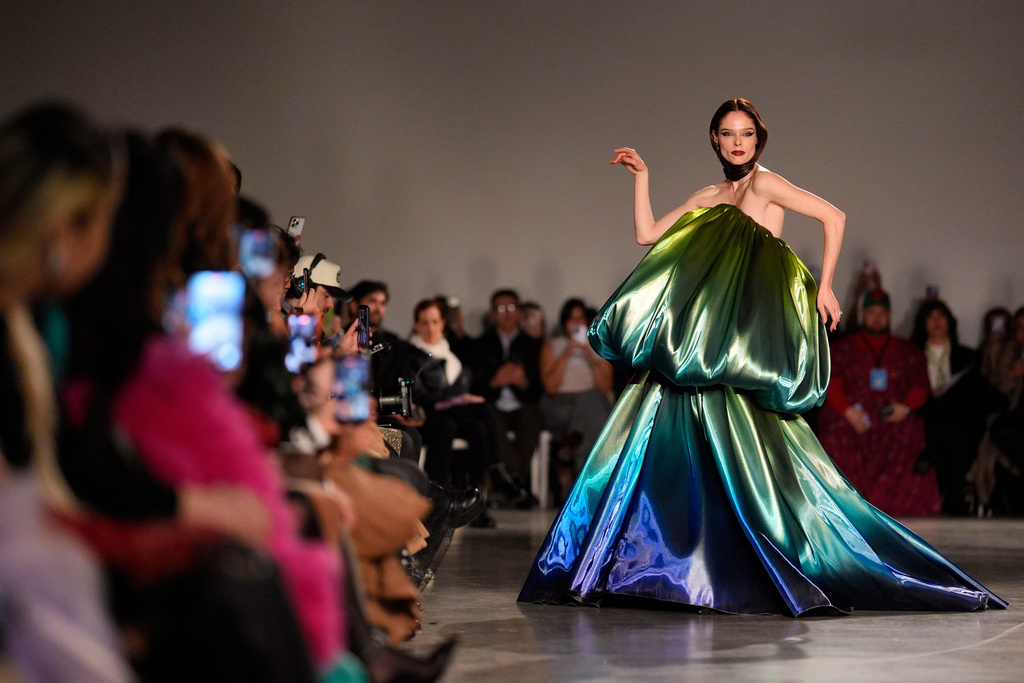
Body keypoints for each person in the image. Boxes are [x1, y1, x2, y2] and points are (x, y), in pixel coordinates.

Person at [519, 98, 1004, 614]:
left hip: (745, 339)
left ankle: (756, 559)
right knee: (669, 434)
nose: (737, 142)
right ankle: (674, 567)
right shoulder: (709, 195)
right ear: (714, 139)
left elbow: (833, 216)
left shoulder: (766, 184)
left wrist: (825, 286)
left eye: (746, 133)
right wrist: (643, 177)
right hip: (706, 337)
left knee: (750, 448)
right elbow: (648, 235)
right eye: (728, 133)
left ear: (758, 139)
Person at [816, 288, 941, 516]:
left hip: (893, 417)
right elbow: (831, 384)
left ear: (890, 314)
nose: (876, 318)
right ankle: (845, 502)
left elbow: (920, 387)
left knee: (910, 433)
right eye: (871, 312)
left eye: (882, 313)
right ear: (863, 314)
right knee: (835, 432)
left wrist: (905, 408)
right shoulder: (843, 349)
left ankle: (896, 505)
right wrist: (849, 412)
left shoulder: (907, 351)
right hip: (854, 416)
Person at [471, 289, 542, 508]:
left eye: (511, 307)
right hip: (493, 404)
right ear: (493, 314)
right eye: (501, 308)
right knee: (492, 419)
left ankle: (514, 485)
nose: (507, 313)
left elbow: (541, 388)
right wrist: (494, 382)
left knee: (531, 417)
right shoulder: (480, 345)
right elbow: (472, 386)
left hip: (522, 404)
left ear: (520, 312)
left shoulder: (534, 345)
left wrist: (524, 382)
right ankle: (521, 483)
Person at [539, 298, 613, 500]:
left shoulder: (599, 348)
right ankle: (586, 486)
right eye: (572, 319)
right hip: (560, 406)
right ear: (564, 322)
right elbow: (551, 388)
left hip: (591, 406)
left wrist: (590, 357)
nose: (576, 323)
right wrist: (565, 355)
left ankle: (569, 449)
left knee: (592, 400)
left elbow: (605, 387)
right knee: (593, 410)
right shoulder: (552, 347)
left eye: (580, 318)